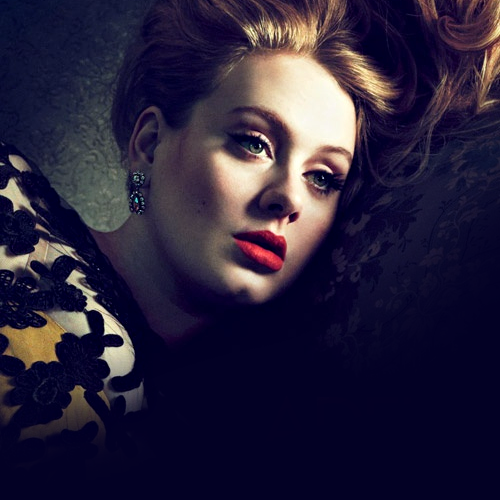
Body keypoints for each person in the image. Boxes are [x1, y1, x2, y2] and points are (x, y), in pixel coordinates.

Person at [0, 0, 498, 494]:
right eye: (254, 142)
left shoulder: (251, 446)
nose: (288, 198)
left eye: (323, 178)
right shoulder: (9, 202)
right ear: (149, 144)